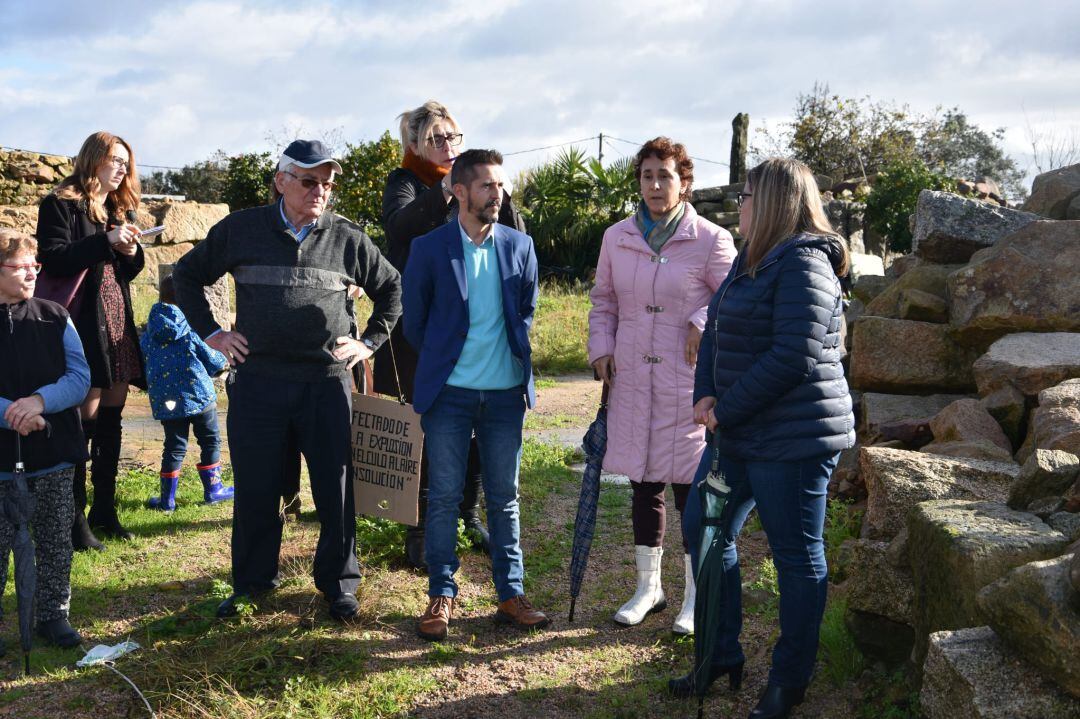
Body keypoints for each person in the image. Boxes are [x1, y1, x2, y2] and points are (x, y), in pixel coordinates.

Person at [172, 139, 402, 623]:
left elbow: (392, 288)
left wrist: (369, 343)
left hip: (326, 382)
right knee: (258, 487)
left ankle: (339, 585)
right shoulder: (242, 229)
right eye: (309, 180)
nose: (320, 191)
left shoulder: (346, 237)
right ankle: (253, 583)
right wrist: (213, 333)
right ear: (281, 181)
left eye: (327, 183)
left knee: (335, 488)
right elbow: (187, 277)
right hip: (259, 383)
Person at [670, 158, 854, 719]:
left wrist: (726, 408)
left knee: (796, 558)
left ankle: (788, 683)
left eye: (747, 196)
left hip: (794, 439)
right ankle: (720, 655)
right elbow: (716, 325)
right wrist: (705, 393)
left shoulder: (805, 263)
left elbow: (793, 357)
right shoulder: (752, 258)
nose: (739, 207)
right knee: (704, 527)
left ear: (773, 202)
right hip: (741, 432)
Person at [588, 137, 736, 634]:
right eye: (647, 175)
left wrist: (700, 317)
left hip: (687, 382)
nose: (655, 185)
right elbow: (603, 300)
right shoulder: (617, 237)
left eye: (664, 176)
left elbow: (734, 297)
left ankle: (694, 596)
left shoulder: (711, 239)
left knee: (688, 489)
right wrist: (601, 347)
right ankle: (648, 588)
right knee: (643, 482)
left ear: (684, 182)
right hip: (631, 376)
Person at [402, 149, 547, 641]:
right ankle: (441, 595)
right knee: (443, 497)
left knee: (504, 498)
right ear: (459, 191)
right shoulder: (428, 249)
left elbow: (524, 312)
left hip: (505, 395)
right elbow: (416, 324)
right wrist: (451, 364)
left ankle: (511, 594)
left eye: (501, 185)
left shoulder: (519, 246)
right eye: (487, 186)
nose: (498, 194)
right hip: (450, 395)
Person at [375, 100, 527, 569]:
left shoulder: (484, 185)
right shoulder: (405, 182)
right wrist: (444, 189)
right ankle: (419, 526)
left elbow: (517, 237)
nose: (446, 145)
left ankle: (469, 514)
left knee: (481, 425)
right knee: (429, 425)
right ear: (415, 143)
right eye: (436, 138)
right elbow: (399, 229)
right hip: (422, 332)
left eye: (452, 137)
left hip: (482, 335)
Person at [36, 130, 146, 550]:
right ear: (94, 159)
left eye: (125, 163)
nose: (121, 169)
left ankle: (106, 508)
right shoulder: (60, 203)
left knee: (114, 418)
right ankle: (73, 518)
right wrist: (105, 242)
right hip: (82, 321)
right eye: (115, 160)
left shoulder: (118, 208)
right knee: (84, 420)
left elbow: (127, 272)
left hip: (117, 318)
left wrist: (130, 250)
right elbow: (54, 257)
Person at [0, 229, 91, 651]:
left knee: (55, 538)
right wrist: (10, 414)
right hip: (2, 456)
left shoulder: (55, 315)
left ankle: (53, 615)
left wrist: (39, 402)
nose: (31, 273)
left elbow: (79, 378)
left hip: (54, 451)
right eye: (20, 266)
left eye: (35, 265)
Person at [140, 274, 233, 511]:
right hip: (200, 397)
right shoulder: (190, 329)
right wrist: (223, 358)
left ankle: (167, 500)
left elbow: (141, 362)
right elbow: (213, 361)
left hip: (168, 402)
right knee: (210, 440)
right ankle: (214, 489)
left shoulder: (149, 333)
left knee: (174, 446)